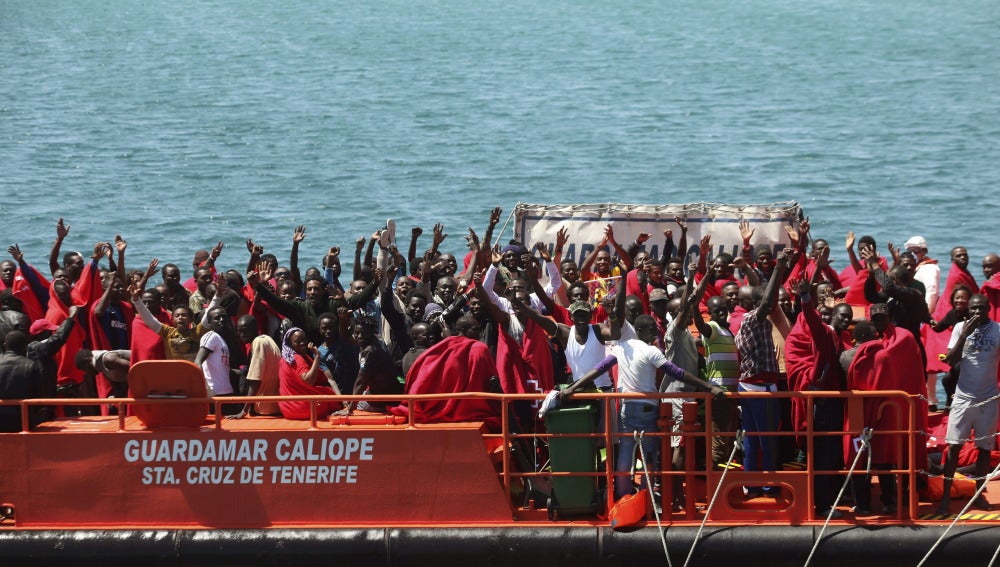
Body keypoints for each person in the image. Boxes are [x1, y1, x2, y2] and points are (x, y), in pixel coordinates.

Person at [557, 315, 724, 499]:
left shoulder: (622, 348)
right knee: (649, 455)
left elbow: (600, 368)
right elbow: (677, 372)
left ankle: (623, 495)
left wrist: (572, 387)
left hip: (627, 408)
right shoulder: (651, 351)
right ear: (641, 331)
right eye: (652, 328)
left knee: (626, 452)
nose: (655, 332)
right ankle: (646, 497)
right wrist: (708, 386)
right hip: (648, 409)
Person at [735, 247, 795, 497]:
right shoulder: (753, 319)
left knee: (752, 439)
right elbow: (767, 300)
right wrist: (780, 267)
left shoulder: (745, 321)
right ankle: (769, 485)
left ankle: (752, 484)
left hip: (749, 386)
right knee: (768, 439)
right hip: (760, 388)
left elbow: (764, 293)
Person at [937, 294, 999, 514]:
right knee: (954, 447)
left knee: (984, 448)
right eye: (973, 309)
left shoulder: (997, 330)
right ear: (968, 310)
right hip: (963, 397)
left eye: (981, 309)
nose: (977, 313)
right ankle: (945, 496)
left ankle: (978, 493)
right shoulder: (960, 328)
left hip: (988, 397)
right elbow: (951, 361)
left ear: (989, 308)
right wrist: (965, 333)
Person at [277, 327, 341, 420]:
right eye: (297, 341)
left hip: (288, 410)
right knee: (328, 393)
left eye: (304, 339)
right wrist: (317, 357)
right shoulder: (296, 358)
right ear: (290, 344)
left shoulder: (285, 359)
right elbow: (309, 380)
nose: (302, 343)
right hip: (305, 409)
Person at [229, 314, 282, 418]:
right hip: (275, 405)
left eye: (244, 330)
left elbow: (255, 379)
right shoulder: (268, 340)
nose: (241, 335)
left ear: (255, 329)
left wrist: (244, 411)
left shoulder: (259, 342)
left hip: (264, 409)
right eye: (239, 331)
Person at [0, 331, 42, 432]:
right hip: (23, 419)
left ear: (5, 345)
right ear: (25, 346)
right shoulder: (31, 365)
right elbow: (37, 394)